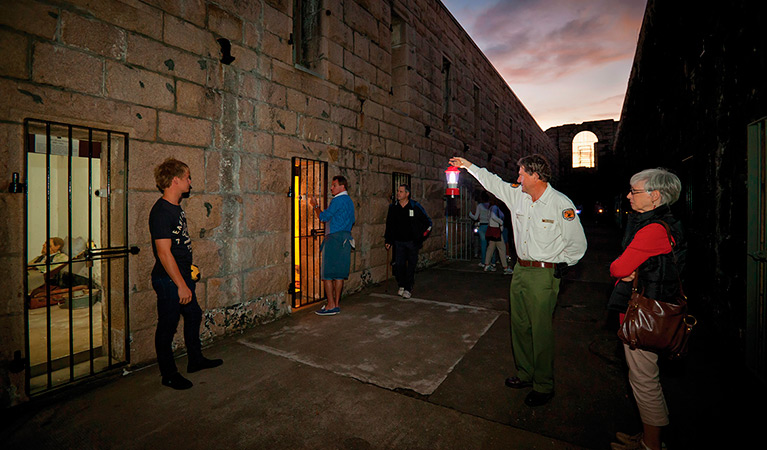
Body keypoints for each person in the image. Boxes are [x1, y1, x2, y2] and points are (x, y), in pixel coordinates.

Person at [449, 154, 587, 407]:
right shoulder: (518, 195)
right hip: (521, 270)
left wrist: (562, 265)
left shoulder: (559, 203)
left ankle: (543, 384)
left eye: (522, 173)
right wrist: (468, 166)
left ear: (536, 176)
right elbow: (493, 182)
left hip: (545, 273)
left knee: (540, 330)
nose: (518, 178)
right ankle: (525, 374)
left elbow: (577, 244)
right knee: (519, 325)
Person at [608, 168, 685, 450]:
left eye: (634, 191)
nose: (629, 196)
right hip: (655, 310)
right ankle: (647, 435)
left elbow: (619, 267)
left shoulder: (653, 229)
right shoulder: (667, 223)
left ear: (654, 196)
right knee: (644, 379)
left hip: (645, 318)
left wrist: (625, 269)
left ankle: (651, 445)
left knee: (644, 381)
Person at [149, 158, 222, 390]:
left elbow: (178, 246)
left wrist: (188, 270)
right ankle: (168, 374)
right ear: (175, 180)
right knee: (167, 325)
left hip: (181, 276)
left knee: (193, 314)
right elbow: (163, 253)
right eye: (187, 177)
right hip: (169, 280)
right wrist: (181, 284)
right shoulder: (161, 211)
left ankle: (195, 360)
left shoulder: (176, 208)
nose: (190, 181)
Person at [310, 175, 355, 316]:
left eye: (334, 185)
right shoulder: (349, 201)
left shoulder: (338, 200)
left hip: (334, 239)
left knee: (327, 274)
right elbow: (352, 219)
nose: (331, 188)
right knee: (339, 274)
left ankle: (330, 306)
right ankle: (336, 304)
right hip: (346, 239)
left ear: (342, 186)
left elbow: (324, 217)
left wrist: (316, 206)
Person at [384, 184, 432, 299]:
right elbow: (389, 224)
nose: (398, 194)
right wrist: (388, 239)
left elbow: (427, 222)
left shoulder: (415, 206)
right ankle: (401, 284)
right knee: (399, 264)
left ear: (407, 194)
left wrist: (421, 236)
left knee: (411, 265)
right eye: (398, 191)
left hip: (412, 242)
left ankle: (408, 287)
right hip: (399, 242)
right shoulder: (393, 208)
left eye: (401, 191)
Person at [483, 197, 513, 275]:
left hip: (492, 230)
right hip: (496, 231)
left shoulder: (491, 208)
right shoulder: (495, 208)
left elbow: (490, 218)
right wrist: (501, 222)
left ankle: (487, 265)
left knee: (490, 249)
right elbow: (494, 217)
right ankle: (505, 267)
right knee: (502, 249)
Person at [469, 191, 491, 267]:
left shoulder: (480, 206)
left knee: (483, 244)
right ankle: (491, 261)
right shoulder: (490, 206)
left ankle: (483, 261)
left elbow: (475, 217)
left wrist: (470, 214)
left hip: (482, 226)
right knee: (490, 245)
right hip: (489, 225)